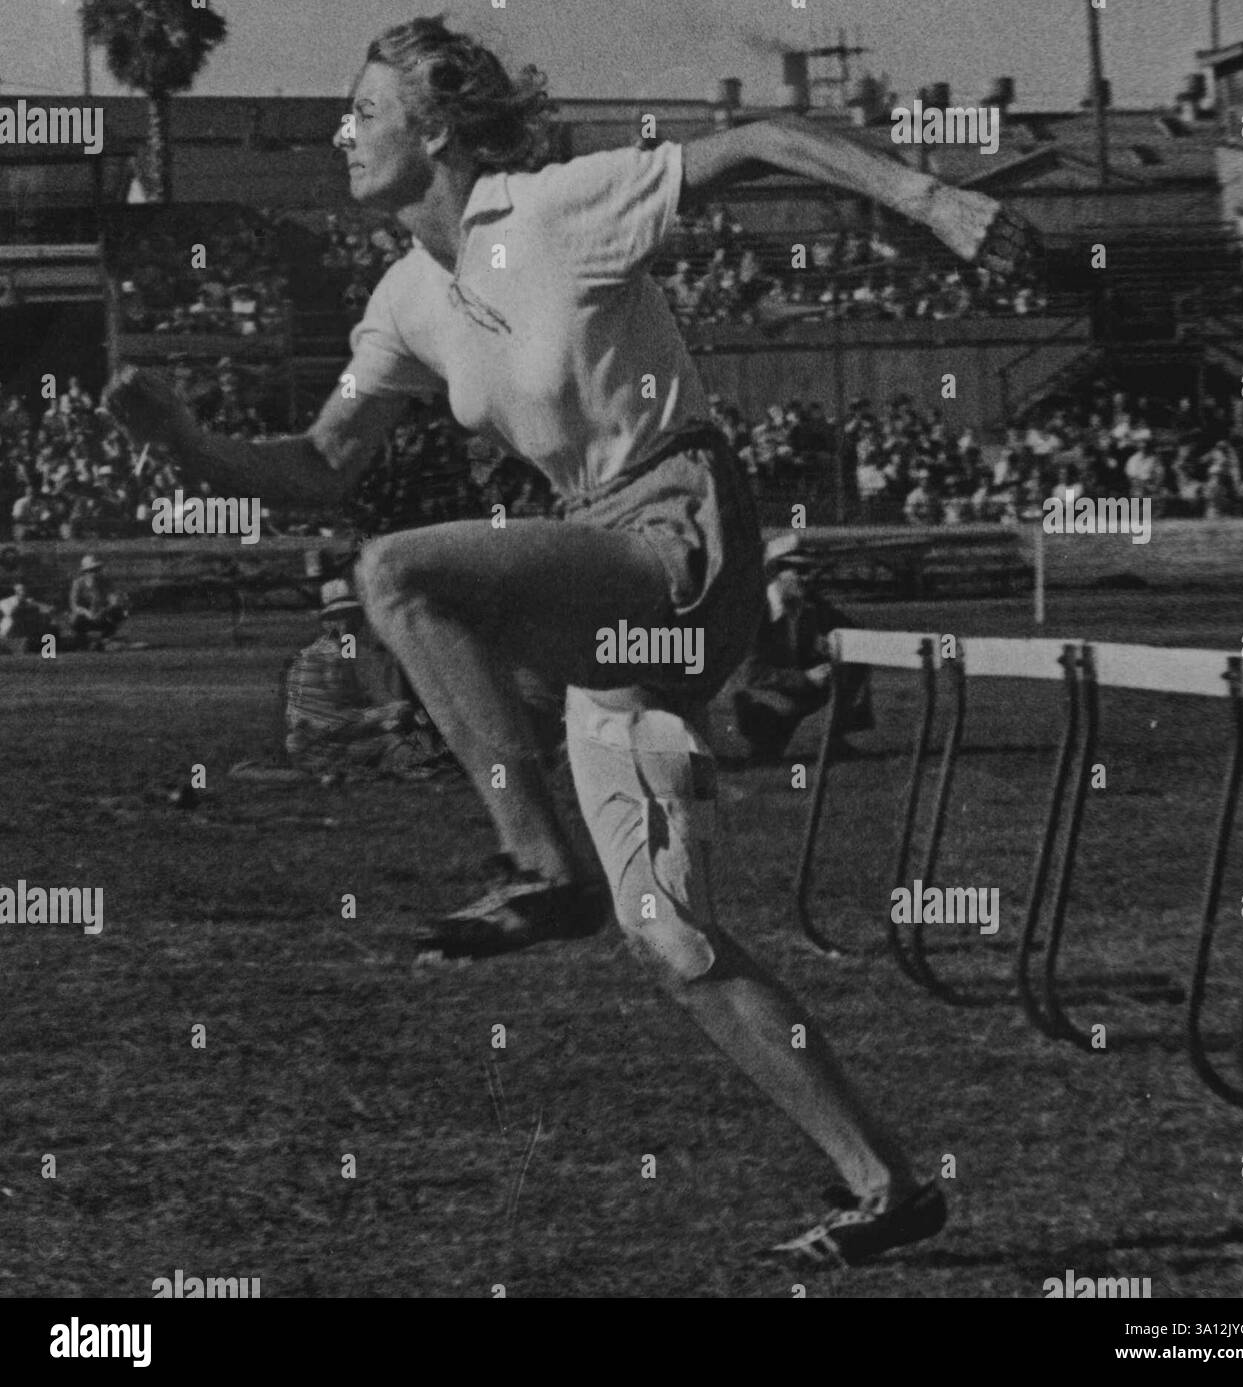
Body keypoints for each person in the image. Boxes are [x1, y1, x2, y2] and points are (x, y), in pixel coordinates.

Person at [102, 14, 1038, 1268]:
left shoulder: (549, 210)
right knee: (674, 937)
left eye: (360, 111)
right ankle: (887, 1186)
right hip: (599, 570)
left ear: (433, 128)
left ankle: (541, 865)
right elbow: (322, 463)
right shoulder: (404, 297)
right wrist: (183, 446)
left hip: (681, 532)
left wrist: (934, 202)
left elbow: (759, 137)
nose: (338, 131)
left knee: (399, 577)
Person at [283, 578, 447, 779]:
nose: (346, 625)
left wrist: (394, 714)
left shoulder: (347, 655)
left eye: (352, 617)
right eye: (336, 618)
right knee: (392, 745)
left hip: (335, 740)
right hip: (319, 746)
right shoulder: (320, 658)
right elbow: (326, 722)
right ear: (326, 623)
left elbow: (365, 700)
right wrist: (382, 715)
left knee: (399, 738)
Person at [732, 553, 874, 764]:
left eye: (808, 572)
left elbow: (851, 632)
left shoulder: (809, 602)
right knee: (767, 750)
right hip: (755, 693)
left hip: (788, 683)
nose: (806, 579)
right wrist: (806, 678)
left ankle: (834, 739)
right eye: (797, 572)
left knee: (854, 661)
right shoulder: (753, 612)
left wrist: (828, 643)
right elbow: (750, 674)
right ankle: (762, 744)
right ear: (774, 573)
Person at [67, 554, 128, 650]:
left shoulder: (105, 582)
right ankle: (82, 640)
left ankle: (105, 639)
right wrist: (87, 613)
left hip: (101, 615)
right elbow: (74, 604)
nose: (93, 573)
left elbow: (113, 599)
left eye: (96, 570)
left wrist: (105, 609)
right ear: (85, 572)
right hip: (85, 617)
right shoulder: (78, 583)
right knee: (74, 619)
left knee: (118, 612)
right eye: (90, 570)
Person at [0, 581, 59, 654]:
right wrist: (24, 602)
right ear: (14, 592)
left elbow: (49, 610)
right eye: (20, 590)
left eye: (24, 590)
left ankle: (46, 648)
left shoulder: (29, 602)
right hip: (11, 631)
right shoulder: (5, 602)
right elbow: (12, 613)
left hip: (27, 631)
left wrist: (41, 606)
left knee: (49, 623)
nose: (23, 592)